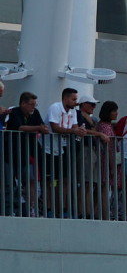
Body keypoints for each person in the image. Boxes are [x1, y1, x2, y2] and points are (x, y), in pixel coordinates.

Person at [5, 91, 49, 216]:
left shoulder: (35, 113)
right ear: (23, 104)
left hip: (26, 154)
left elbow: (41, 124)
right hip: (10, 153)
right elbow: (20, 127)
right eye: (31, 105)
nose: (33, 107)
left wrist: (43, 128)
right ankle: (7, 209)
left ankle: (30, 207)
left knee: (30, 180)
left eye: (35, 105)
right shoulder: (15, 112)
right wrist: (38, 128)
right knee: (8, 182)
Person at [47, 87, 87, 216]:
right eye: (73, 99)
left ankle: (63, 208)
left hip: (63, 148)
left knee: (64, 179)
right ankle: (49, 209)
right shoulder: (55, 107)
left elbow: (74, 127)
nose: (76, 102)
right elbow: (55, 128)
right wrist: (74, 131)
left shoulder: (73, 110)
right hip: (49, 148)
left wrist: (80, 131)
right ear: (65, 99)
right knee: (49, 180)